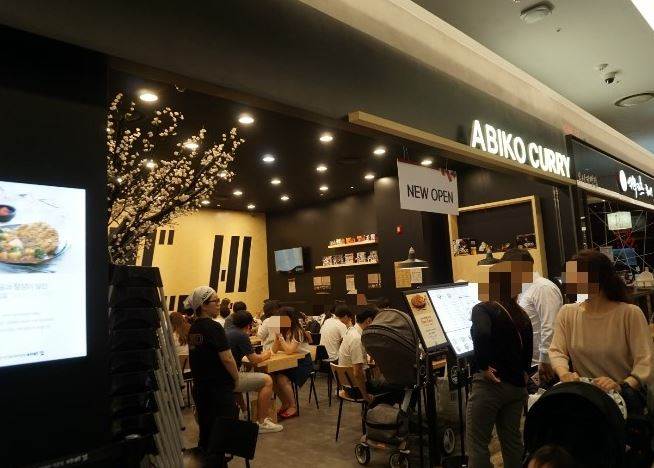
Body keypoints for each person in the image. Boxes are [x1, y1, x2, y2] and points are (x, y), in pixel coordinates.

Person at [549, 250, 653, 414]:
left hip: (623, 403)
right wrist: (564, 374)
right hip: (585, 400)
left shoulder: (629, 314)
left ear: (600, 279)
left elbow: (645, 362)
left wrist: (621, 385)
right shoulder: (567, 313)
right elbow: (557, 351)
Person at [466, 260, 533, 468]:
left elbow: (481, 333)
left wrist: (483, 366)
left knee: (478, 443)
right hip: (516, 387)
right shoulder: (522, 314)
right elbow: (528, 348)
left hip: (490, 386)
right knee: (512, 441)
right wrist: (523, 372)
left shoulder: (482, 309)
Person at [185, 286, 239, 452]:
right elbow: (227, 358)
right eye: (215, 301)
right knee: (221, 436)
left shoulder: (193, 328)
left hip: (201, 388)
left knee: (207, 433)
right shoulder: (214, 327)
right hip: (218, 389)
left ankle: (208, 460)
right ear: (203, 305)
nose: (219, 304)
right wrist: (236, 378)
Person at [502, 248, 563, 386]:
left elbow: (550, 325)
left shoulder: (543, 288)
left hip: (542, 363)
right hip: (528, 362)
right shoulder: (523, 288)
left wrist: (545, 359)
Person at [225, 311, 283, 433]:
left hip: (221, 377)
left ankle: (245, 412)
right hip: (229, 379)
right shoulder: (241, 335)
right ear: (249, 325)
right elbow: (255, 360)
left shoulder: (227, 331)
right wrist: (267, 354)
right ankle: (262, 422)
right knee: (267, 380)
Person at [272, 306, 313, 419]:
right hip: (290, 361)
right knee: (271, 377)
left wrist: (280, 338)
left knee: (282, 378)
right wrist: (277, 337)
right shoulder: (283, 330)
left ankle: (293, 406)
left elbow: (289, 350)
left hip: (303, 362)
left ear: (290, 318)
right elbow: (274, 350)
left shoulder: (298, 331)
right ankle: (285, 403)